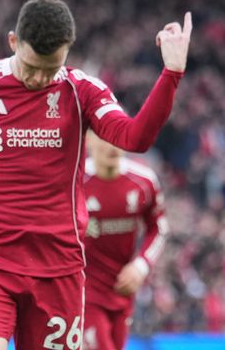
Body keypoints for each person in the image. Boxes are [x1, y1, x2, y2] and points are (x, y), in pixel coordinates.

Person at [0, 0, 192, 350]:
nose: (38, 79)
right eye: (30, 66)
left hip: (60, 268)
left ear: (68, 51)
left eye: (50, 69)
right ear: (12, 42)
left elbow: (135, 137)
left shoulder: (83, 91)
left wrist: (171, 73)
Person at [82, 132, 167, 350]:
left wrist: (141, 266)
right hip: (84, 293)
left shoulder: (143, 181)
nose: (111, 145)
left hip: (122, 292)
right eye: (103, 137)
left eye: (116, 137)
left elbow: (159, 228)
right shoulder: (75, 181)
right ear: (88, 140)